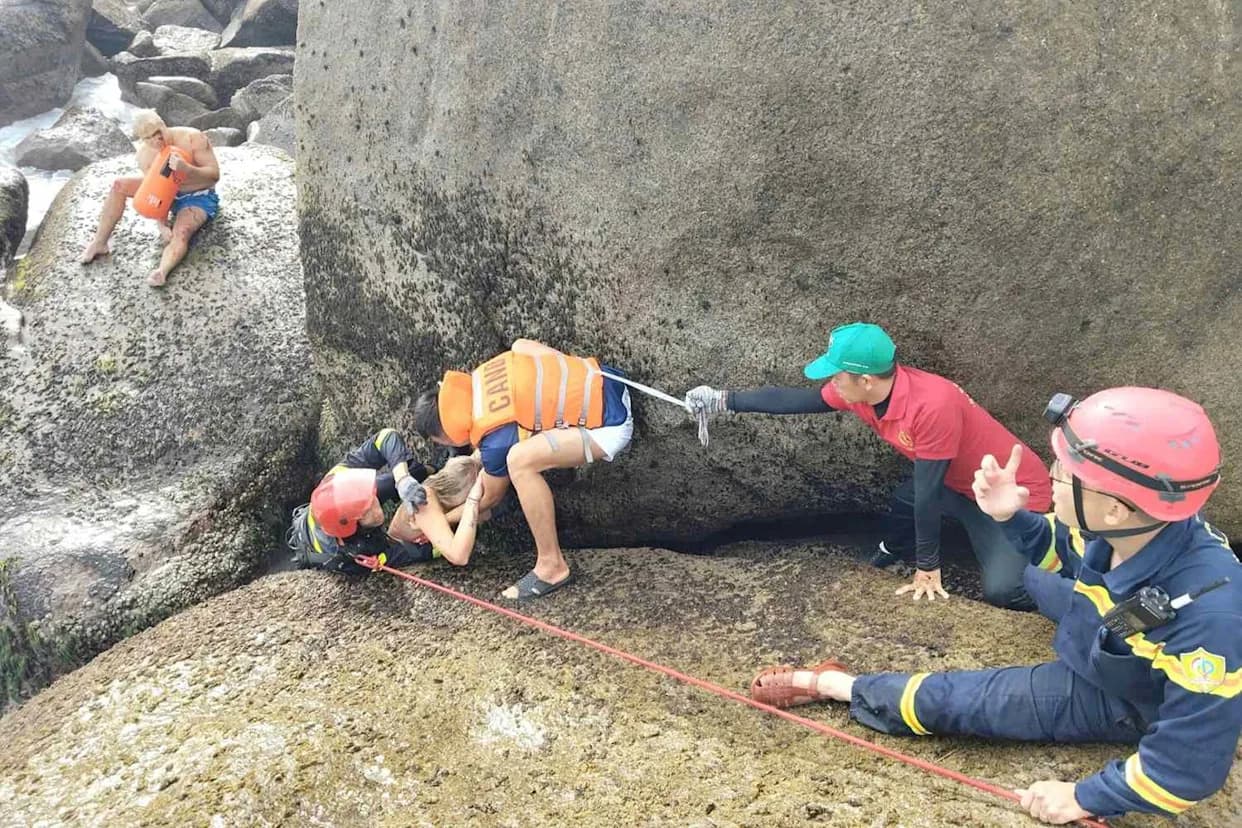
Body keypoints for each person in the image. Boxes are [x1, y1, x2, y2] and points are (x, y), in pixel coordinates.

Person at [749, 387, 1240, 825]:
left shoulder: (1209, 621)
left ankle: (840, 685)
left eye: (1065, 473)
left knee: (974, 699)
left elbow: (1185, 767)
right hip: (1105, 630)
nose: (1051, 475)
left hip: (1124, 693)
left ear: (1115, 507)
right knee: (1028, 576)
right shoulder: (1131, 529)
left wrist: (1084, 796)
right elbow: (1062, 551)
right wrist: (1012, 515)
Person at [685, 322, 1052, 609]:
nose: (832, 383)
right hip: (962, 487)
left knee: (1004, 590)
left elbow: (928, 492)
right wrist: (723, 400)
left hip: (1014, 500)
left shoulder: (931, 406)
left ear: (865, 379)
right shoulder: (861, 392)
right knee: (904, 498)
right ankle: (893, 548)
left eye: (837, 374)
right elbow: (799, 400)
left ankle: (1066, 581)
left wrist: (928, 567)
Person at [413, 338, 634, 600]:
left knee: (519, 461)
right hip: (607, 378)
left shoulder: (494, 441)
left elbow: (490, 496)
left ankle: (551, 566)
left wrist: (442, 522)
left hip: (610, 425)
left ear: (447, 435)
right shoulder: (483, 375)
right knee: (519, 346)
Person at [79, 109, 220, 287]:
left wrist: (187, 169)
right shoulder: (144, 156)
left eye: (158, 132)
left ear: (163, 123)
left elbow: (214, 175)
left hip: (197, 195)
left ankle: (162, 271)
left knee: (182, 232)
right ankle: (99, 243)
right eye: (148, 137)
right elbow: (157, 190)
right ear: (141, 139)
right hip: (170, 195)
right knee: (118, 185)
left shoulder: (192, 138)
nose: (156, 139)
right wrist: (161, 224)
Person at [286, 428, 433, 575]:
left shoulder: (338, 478)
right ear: (355, 524)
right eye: (367, 509)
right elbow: (409, 553)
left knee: (405, 477)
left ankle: (432, 469)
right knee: (416, 552)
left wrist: (402, 479)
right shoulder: (356, 555)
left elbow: (385, 437)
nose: (375, 501)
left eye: (371, 497)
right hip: (326, 542)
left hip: (332, 512)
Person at [387, 454, 490, 567]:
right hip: (410, 548)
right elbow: (460, 557)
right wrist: (472, 501)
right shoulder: (424, 501)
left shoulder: (454, 479)